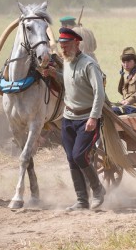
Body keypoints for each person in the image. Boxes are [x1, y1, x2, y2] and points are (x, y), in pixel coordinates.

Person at [42, 27, 106, 211]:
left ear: (76, 43)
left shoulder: (89, 64)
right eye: (61, 45)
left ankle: (98, 190)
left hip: (87, 118)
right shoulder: (67, 62)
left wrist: (94, 117)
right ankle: (81, 200)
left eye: (66, 45)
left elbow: (99, 93)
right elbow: (71, 83)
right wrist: (55, 75)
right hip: (68, 117)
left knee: (79, 155)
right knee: (71, 158)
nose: (63, 49)